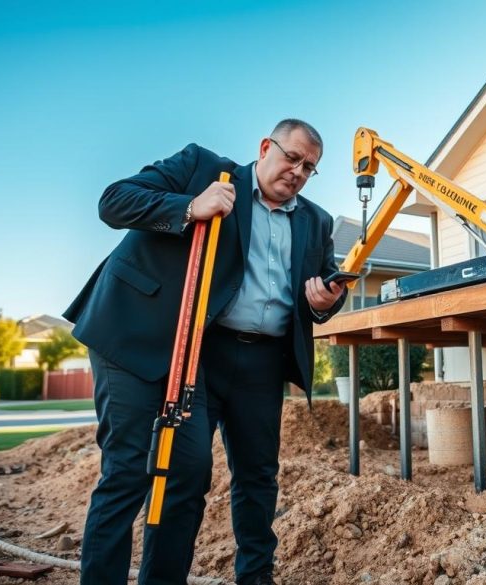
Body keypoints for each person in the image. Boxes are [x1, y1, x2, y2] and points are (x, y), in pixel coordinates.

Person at [64, 119, 346, 585]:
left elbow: (319, 284)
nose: (297, 171)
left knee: (214, 474)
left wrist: (323, 304)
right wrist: (191, 206)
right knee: (132, 471)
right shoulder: (203, 169)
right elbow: (113, 201)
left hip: (251, 359)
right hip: (135, 334)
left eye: (310, 167)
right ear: (264, 147)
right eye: (291, 157)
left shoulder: (315, 220)